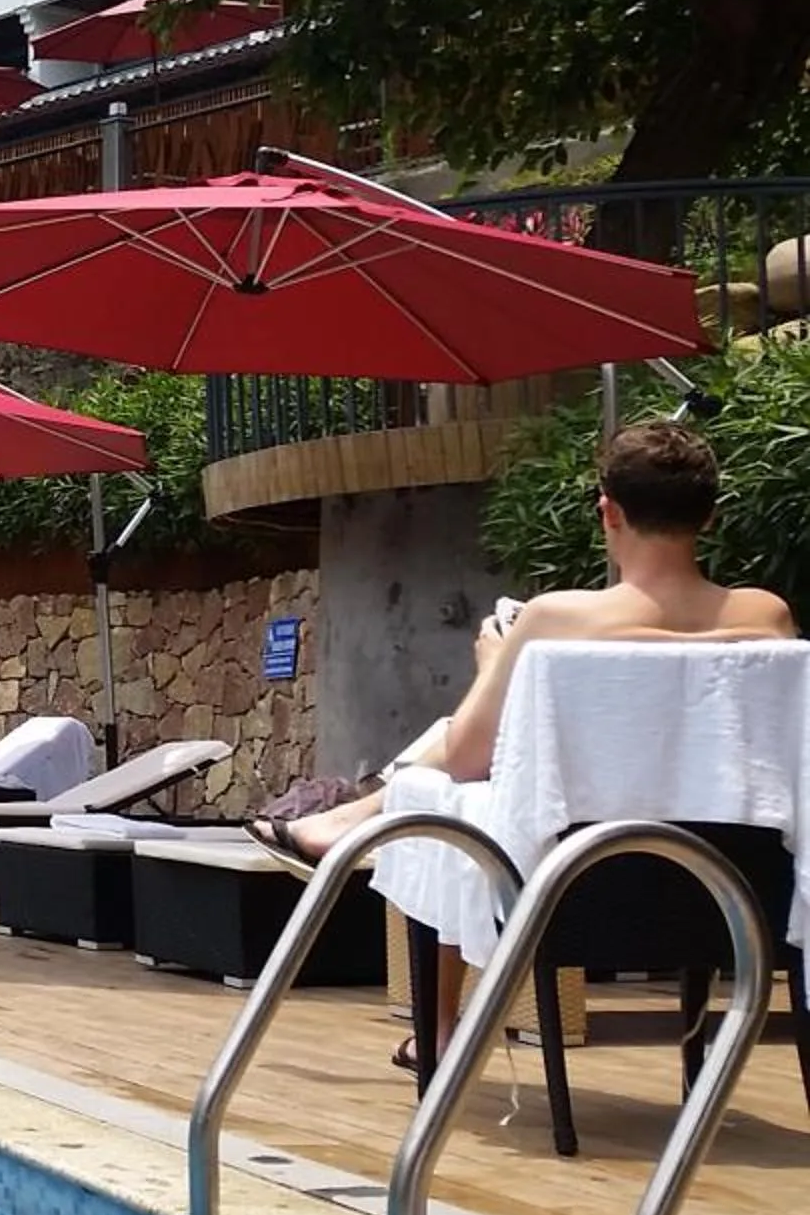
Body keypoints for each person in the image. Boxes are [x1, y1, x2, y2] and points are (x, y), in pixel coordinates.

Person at [248, 422, 794, 1063]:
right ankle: (347, 826)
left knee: (436, 792)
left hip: (578, 890)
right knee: (438, 786)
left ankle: (436, 1019)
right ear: (709, 513)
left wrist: (496, 663)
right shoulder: (766, 616)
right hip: (745, 890)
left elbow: (469, 758)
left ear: (607, 511)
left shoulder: (557, 619)